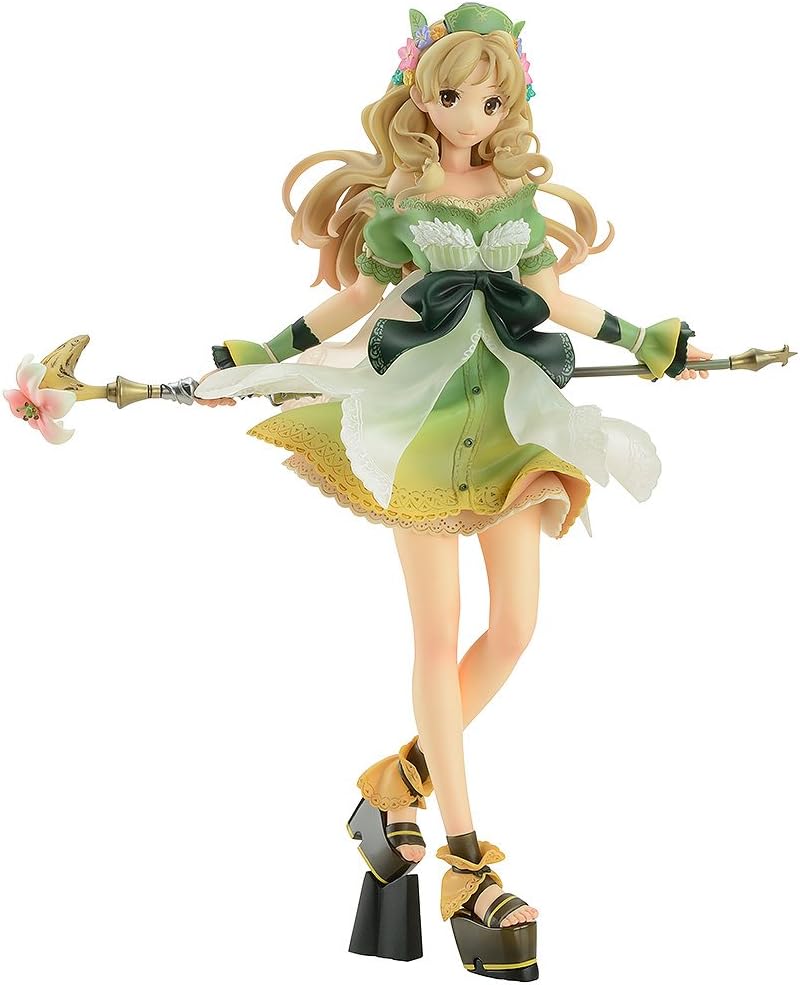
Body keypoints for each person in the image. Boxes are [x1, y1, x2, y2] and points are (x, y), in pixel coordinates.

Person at [194, 5, 710, 978]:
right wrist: (264, 352)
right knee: (437, 634)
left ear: (511, 103)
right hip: (420, 428)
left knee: (514, 627)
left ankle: (395, 785)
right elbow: (356, 300)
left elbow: (551, 299)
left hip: (512, 426)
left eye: (490, 101)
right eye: (451, 96)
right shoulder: (400, 203)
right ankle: (467, 864)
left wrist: (643, 338)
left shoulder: (516, 201)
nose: (470, 116)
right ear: (418, 95)